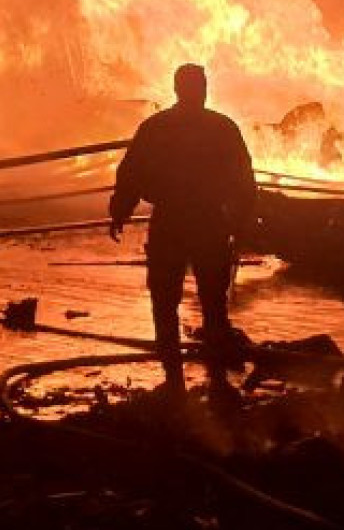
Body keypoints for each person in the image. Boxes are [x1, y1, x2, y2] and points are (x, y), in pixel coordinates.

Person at [109, 63, 257, 394]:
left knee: (165, 300)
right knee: (212, 301)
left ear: (177, 89)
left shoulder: (156, 127)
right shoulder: (222, 128)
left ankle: (173, 378)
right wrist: (242, 222)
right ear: (200, 89)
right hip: (208, 223)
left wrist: (120, 211)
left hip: (172, 222)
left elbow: (131, 173)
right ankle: (216, 380)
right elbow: (244, 180)